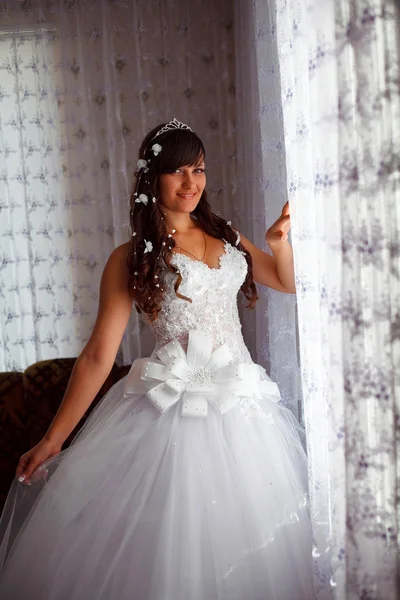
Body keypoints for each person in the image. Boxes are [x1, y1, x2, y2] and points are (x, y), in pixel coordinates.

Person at [0, 118, 315, 599]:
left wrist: (277, 243)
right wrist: (53, 439)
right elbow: (98, 356)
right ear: (153, 177)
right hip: (170, 415)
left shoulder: (226, 234)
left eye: (200, 169)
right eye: (178, 171)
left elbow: (287, 281)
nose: (192, 183)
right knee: (176, 554)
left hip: (246, 412)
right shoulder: (129, 258)